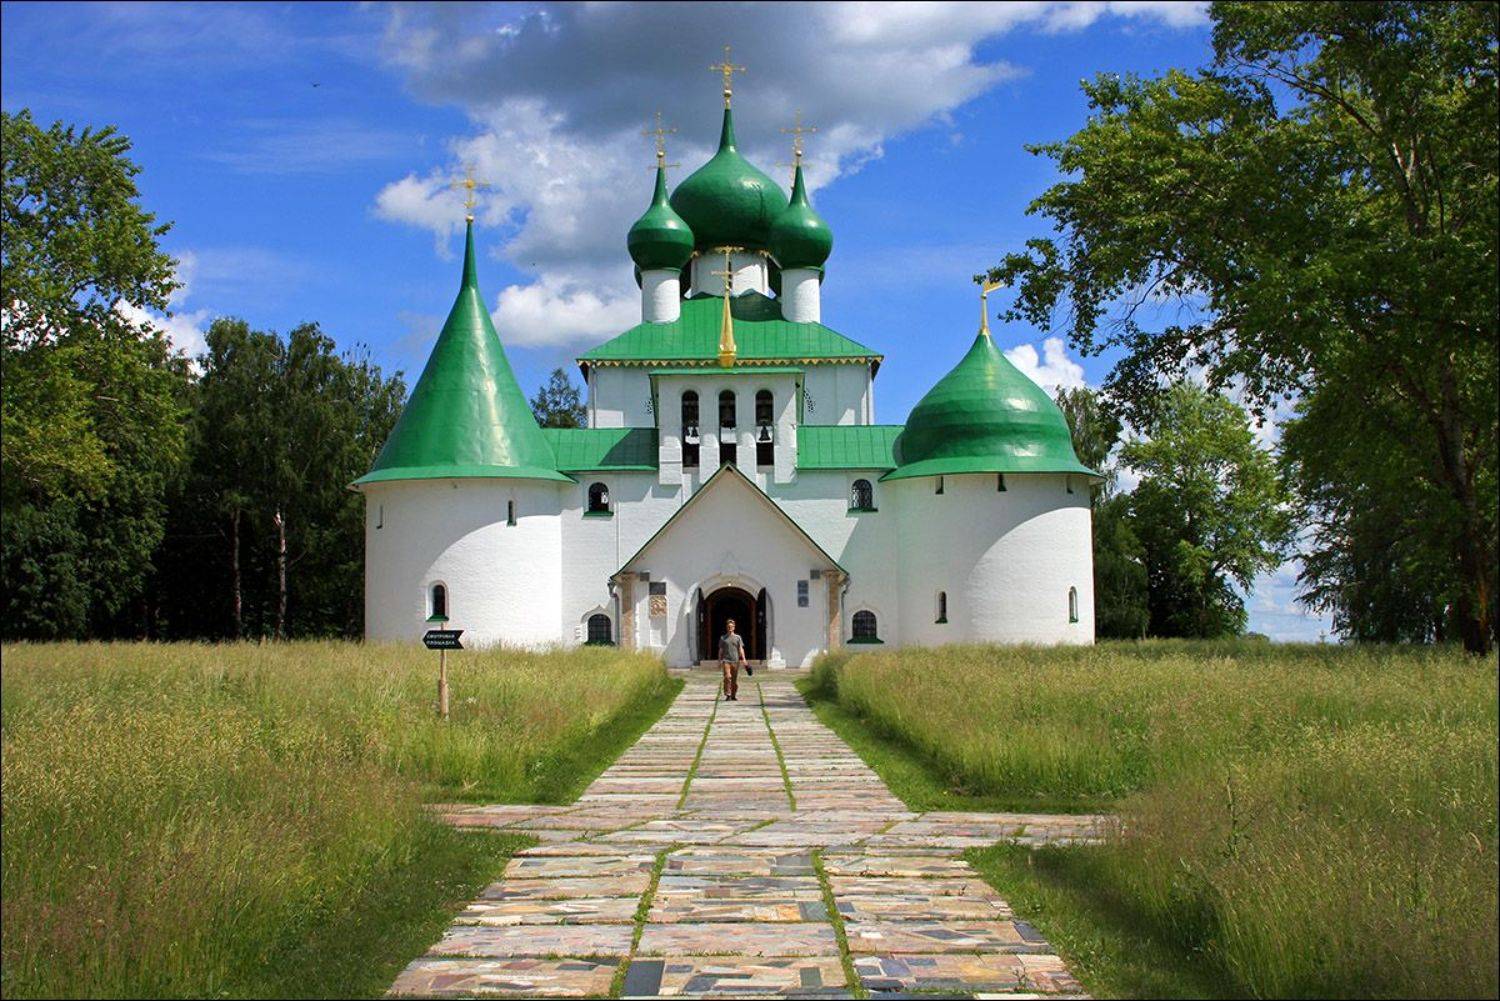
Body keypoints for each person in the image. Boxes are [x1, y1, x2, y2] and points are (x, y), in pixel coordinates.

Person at [719, 618, 746, 700]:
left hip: (735, 661)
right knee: (727, 677)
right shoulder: (723, 638)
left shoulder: (738, 638)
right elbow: (721, 650)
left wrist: (744, 659)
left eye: (731, 626)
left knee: (734, 679)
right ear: (726, 627)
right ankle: (728, 694)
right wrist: (719, 660)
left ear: (734, 627)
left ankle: (733, 695)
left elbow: (741, 648)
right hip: (726, 660)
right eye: (728, 627)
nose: (730, 628)